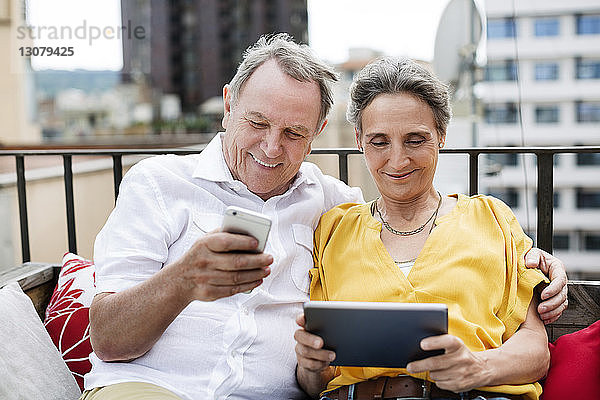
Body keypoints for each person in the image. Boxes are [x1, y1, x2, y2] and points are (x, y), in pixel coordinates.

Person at [83, 35, 566, 400]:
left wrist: (540, 265)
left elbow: (527, 332)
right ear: (229, 104)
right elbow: (106, 338)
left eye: (294, 132)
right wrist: (184, 278)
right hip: (152, 387)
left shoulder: (336, 206)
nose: (273, 148)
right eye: (257, 123)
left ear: (318, 132)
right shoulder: (160, 184)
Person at [294, 58, 555, 400]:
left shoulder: (490, 219)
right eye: (379, 142)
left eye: (415, 140)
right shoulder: (334, 230)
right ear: (359, 140)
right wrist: (310, 367)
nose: (397, 160)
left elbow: (536, 348)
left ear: (441, 135)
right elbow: (317, 383)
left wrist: (477, 366)